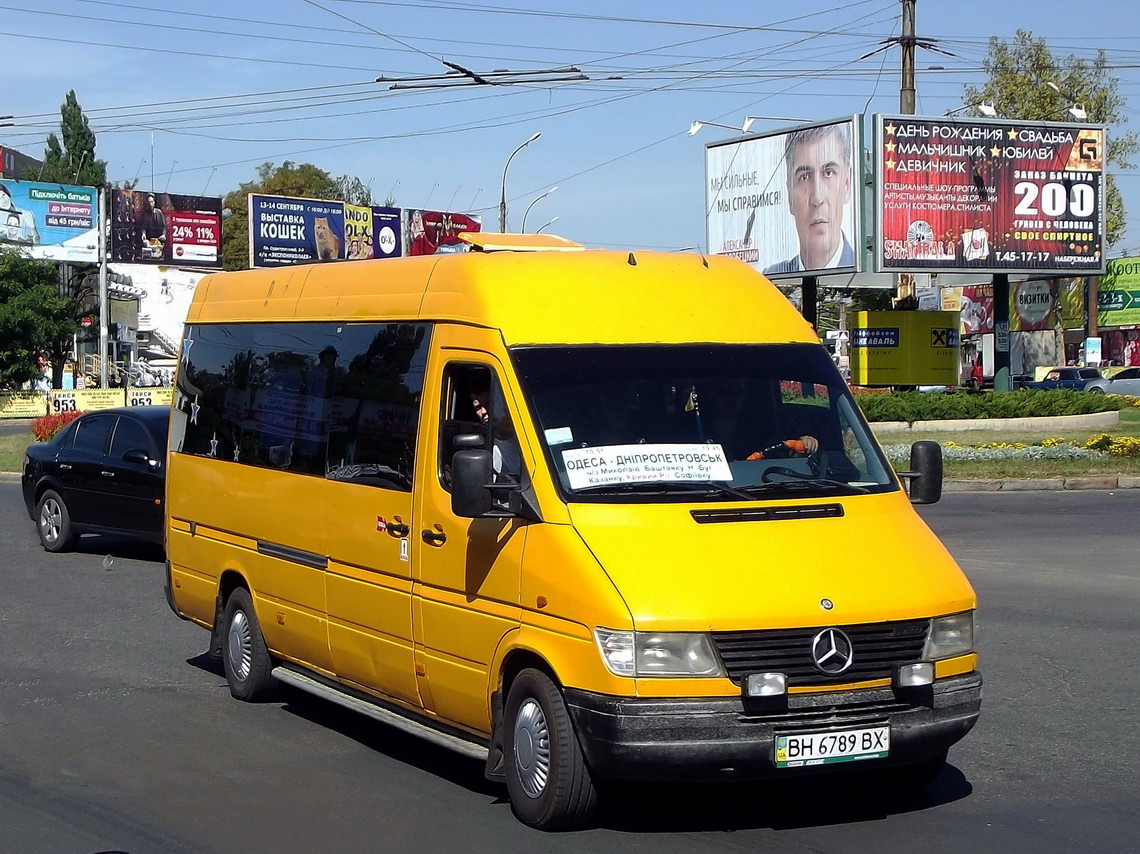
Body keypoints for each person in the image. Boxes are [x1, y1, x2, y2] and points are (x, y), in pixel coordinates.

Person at [763, 123, 854, 275]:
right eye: (804, 177)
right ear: (790, 197)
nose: (817, 198)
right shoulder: (768, 280)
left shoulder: (870, 278)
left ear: (847, 183)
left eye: (828, 173)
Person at [697, 378, 818, 461]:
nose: (732, 398)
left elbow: (785, 444)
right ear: (711, 394)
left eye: (738, 392)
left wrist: (805, 441)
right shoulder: (694, 427)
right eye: (725, 392)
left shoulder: (763, 425)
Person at [469, 382, 522, 480]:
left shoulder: (529, 435)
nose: (483, 412)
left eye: (488, 403)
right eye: (478, 408)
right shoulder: (481, 448)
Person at [134, 193, 167, 259]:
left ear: (154, 202)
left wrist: (164, 235)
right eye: (148, 202)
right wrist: (143, 234)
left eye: (151, 202)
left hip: (158, 241)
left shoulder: (159, 213)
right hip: (148, 241)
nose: (150, 204)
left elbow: (164, 227)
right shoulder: (144, 214)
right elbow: (143, 227)